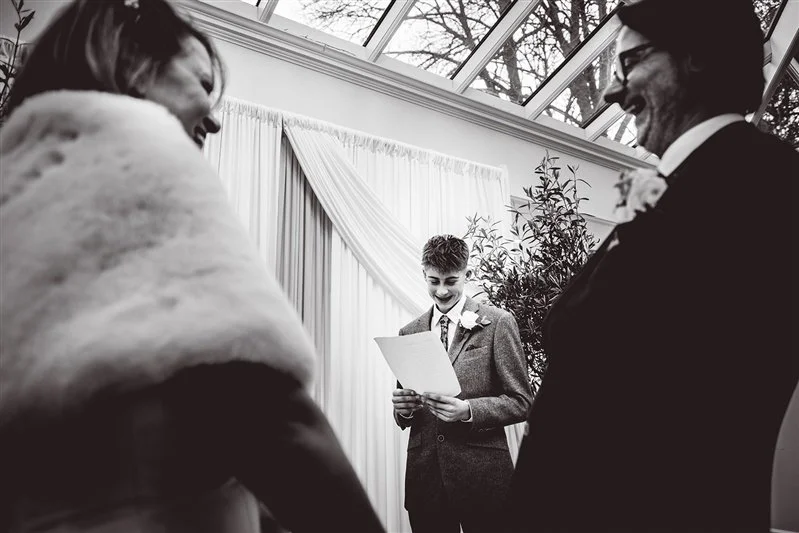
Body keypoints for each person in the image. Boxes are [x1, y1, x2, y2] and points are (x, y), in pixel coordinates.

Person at [0, 1, 385, 532]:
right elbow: (267, 415)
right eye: (203, 84)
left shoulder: (15, 193)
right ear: (132, 64)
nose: (215, 117)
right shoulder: (143, 159)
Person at [505, 0, 799, 532]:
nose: (612, 93)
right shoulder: (674, 189)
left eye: (629, 64)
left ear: (697, 56)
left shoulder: (763, 188)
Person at [392, 235, 532, 533]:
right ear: (423, 274)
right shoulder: (409, 331)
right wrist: (403, 410)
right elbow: (406, 413)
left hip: (483, 480)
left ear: (467, 275)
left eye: (451, 281)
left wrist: (468, 410)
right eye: (433, 281)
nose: (441, 290)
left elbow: (522, 401)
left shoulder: (498, 322)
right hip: (425, 481)